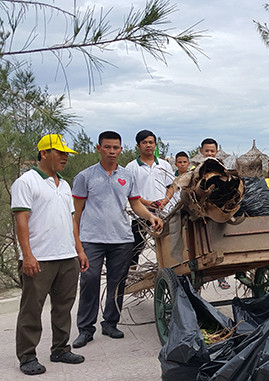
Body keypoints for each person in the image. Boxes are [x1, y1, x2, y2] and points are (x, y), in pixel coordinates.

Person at [72, 131, 163, 348]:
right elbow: (76, 213)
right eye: (107, 147)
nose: (112, 151)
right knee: (90, 280)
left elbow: (135, 204)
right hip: (92, 238)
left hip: (121, 238)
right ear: (98, 148)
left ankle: (110, 323)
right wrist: (78, 245)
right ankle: (85, 328)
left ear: (121, 149)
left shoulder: (127, 176)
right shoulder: (85, 177)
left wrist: (150, 217)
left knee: (117, 281)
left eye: (116, 147)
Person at [12, 134, 89, 375]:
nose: (65, 158)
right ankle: (27, 356)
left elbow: (71, 220)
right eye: (60, 153)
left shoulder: (64, 184)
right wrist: (28, 256)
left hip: (66, 256)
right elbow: (21, 221)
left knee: (64, 306)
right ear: (44, 153)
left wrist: (79, 250)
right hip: (40, 258)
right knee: (31, 309)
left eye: (67, 154)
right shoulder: (26, 182)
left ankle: (60, 349)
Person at [126, 130, 174, 267]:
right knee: (136, 248)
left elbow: (171, 186)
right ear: (138, 145)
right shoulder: (131, 167)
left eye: (151, 142)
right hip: (140, 215)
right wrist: (149, 203)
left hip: (164, 213)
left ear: (155, 144)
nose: (148, 145)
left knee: (166, 246)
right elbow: (130, 193)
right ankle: (130, 277)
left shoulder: (164, 165)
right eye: (144, 142)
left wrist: (165, 200)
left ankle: (167, 273)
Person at [199, 138, 231, 289]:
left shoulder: (223, 170)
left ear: (217, 152)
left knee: (220, 244)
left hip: (219, 212)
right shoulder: (197, 170)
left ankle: (221, 277)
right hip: (200, 214)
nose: (209, 153)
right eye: (207, 151)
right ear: (201, 152)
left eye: (212, 151)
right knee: (202, 245)